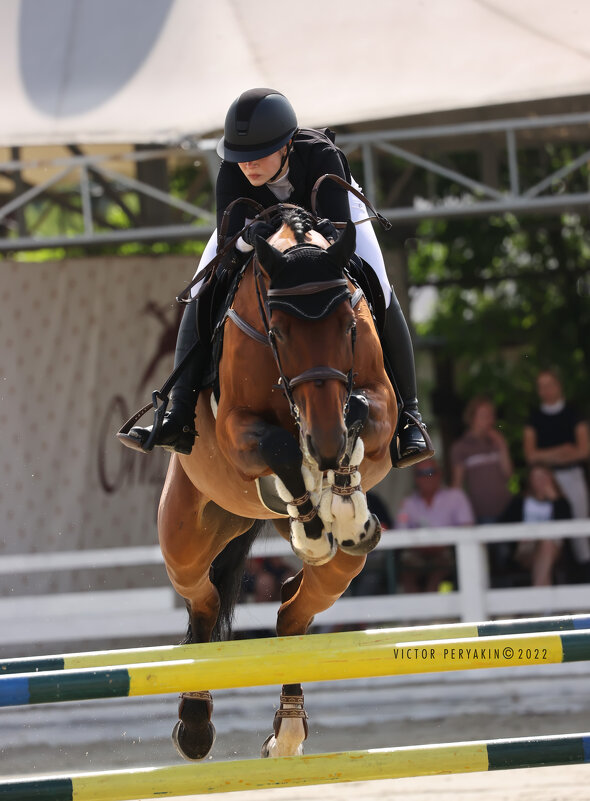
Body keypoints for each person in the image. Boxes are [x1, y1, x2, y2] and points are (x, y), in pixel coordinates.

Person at [119, 88, 432, 467]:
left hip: (328, 221)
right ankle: (178, 411)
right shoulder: (231, 173)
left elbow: (332, 235)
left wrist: (289, 231)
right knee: (204, 287)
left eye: (258, 155)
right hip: (259, 227)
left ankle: (410, 418)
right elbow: (229, 243)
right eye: (240, 157)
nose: (247, 165)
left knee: (377, 281)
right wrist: (248, 243)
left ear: (286, 146)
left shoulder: (323, 157)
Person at [523, 368, 590, 566]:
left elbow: (584, 451)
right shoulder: (534, 418)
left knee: (578, 526)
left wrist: (546, 455)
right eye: (541, 386)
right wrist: (564, 450)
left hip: (573, 476)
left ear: (558, 386)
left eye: (549, 385)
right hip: (546, 479)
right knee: (550, 530)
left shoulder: (574, 413)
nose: (546, 390)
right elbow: (530, 455)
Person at [395, 457, 475, 592]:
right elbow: (399, 532)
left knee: (441, 568)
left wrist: (441, 544)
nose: (427, 477)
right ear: (416, 478)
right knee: (405, 569)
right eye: (422, 473)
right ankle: (414, 610)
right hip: (417, 552)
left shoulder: (456, 497)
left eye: (431, 472)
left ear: (440, 474)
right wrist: (422, 545)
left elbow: (467, 529)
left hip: (447, 552)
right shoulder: (408, 503)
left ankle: (432, 609)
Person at [499, 464, 572, 586]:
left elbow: (569, 528)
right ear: (530, 481)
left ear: (551, 478)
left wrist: (555, 499)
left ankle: (538, 595)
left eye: (544, 476)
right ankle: (542, 598)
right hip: (526, 548)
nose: (541, 481)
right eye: (536, 477)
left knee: (547, 543)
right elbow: (503, 525)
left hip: (554, 548)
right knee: (544, 560)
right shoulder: (519, 502)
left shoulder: (561, 503)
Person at [451, 395, 513, 524]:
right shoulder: (461, 447)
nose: (490, 419)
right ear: (472, 417)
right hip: (479, 513)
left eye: (491, 415)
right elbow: (457, 485)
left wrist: (502, 446)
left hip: (507, 510)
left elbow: (508, 474)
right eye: (484, 415)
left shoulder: (496, 443)